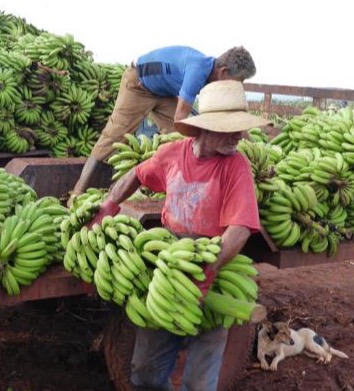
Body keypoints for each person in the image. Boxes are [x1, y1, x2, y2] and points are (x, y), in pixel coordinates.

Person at [86, 80, 271, 390]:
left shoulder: (236, 166)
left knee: (200, 381)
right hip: (169, 263)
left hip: (213, 262)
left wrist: (207, 269)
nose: (238, 136)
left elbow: (239, 230)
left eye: (240, 128)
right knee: (144, 373)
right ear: (203, 128)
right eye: (228, 128)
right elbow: (136, 174)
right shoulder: (173, 154)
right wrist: (109, 204)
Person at [71, 45, 257, 198]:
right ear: (224, 71)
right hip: (139, 84)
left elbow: (232, 114)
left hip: (163, 94)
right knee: (113, 137)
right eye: (238, 80)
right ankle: (77, 192)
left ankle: (163, 189)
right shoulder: (197, 71)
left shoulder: (213, 77)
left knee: (176, 138)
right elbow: (180, 119)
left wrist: (251, 145)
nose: (238, 86)